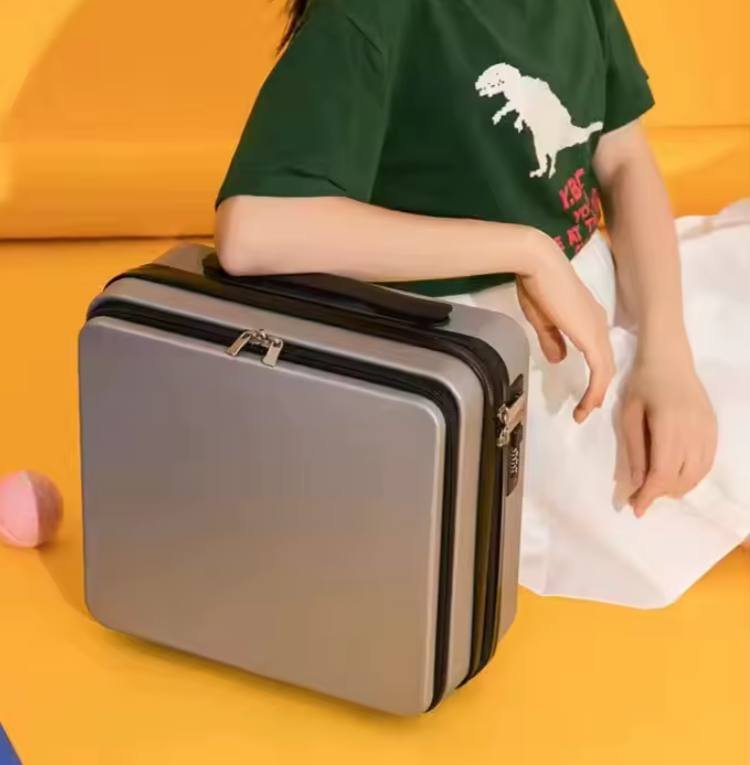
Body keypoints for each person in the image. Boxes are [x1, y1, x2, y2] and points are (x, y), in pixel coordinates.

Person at [212, 0, 750, 607]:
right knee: (693, 449)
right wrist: (528, 251)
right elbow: (253, 229)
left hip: (598, 283)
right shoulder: (372, 14)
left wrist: (667, 352)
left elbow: (623, 157)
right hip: (486, 346)